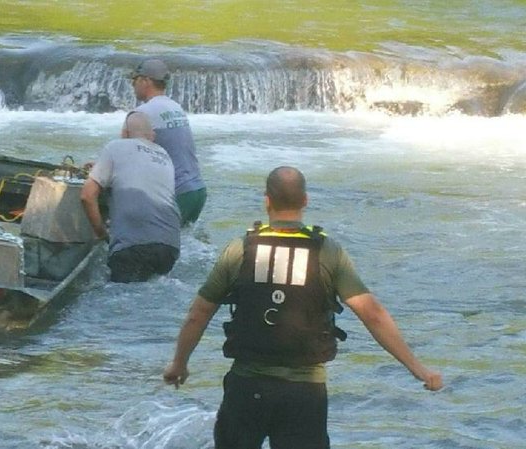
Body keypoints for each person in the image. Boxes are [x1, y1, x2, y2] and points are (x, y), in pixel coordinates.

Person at [162, 166, 443, 448]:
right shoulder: (328, 253)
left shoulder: (240, 250)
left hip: (247, 388)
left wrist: (179, 363)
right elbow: (372, 315)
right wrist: (418, 368)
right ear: (305, 201)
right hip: (305, 392)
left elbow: (198, 314)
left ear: (267, 200)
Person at [80, 111, 181, 283]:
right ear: (152, 136)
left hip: (131, 249)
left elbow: (87, 196)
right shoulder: (165, 156)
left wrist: (102, 234)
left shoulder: (115, 147)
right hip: (169, 248)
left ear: (125, 133)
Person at [131, 58, 206, 226]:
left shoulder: (141, 113)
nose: (132, 85)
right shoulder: (175, 107)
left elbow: (125, 158)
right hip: (197, 191)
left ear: (146, 81)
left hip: (176, 194)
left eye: (134, 79)